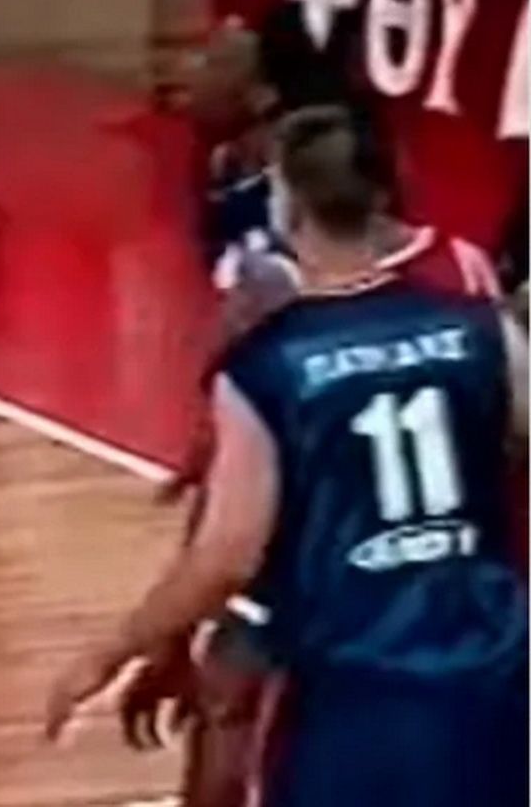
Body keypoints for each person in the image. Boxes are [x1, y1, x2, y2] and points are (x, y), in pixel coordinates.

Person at [46, 105, 530, 807]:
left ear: (286, 206)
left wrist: (109, 652)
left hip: (352, 688)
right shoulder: (480, 326)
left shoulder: (270, 361)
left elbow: (226, 555)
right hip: (494, 673)